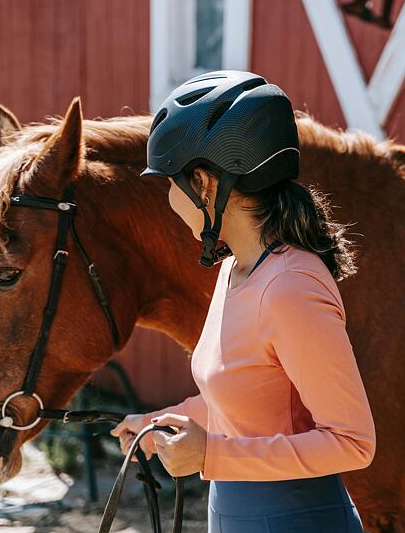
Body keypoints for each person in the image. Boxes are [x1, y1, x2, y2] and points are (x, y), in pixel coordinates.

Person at [111, 70, 375, 532]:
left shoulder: (291, 287)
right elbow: (245, 405)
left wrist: (211, 453)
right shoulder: (234, 269)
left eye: (171, 184)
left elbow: (352, 442)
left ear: (204, 183)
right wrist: (163, 422)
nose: (170, 200)